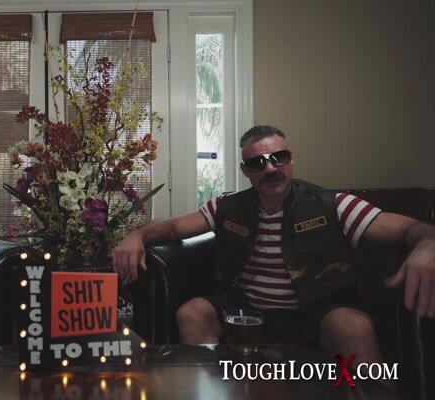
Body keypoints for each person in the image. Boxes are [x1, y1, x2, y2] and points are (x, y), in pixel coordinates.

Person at [113, 125, 435, 368]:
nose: (270, 168)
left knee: (352, 325)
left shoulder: (334, 205)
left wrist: (426, 246)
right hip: (246, 310)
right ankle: (211, 390)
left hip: (317, 312)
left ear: (291, 159)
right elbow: (172, 228)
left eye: (278, 158)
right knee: (192, 313)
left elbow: (413, 229)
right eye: (257, 163)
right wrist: (135, 236)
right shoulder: (227, 206)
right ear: (245, 171)